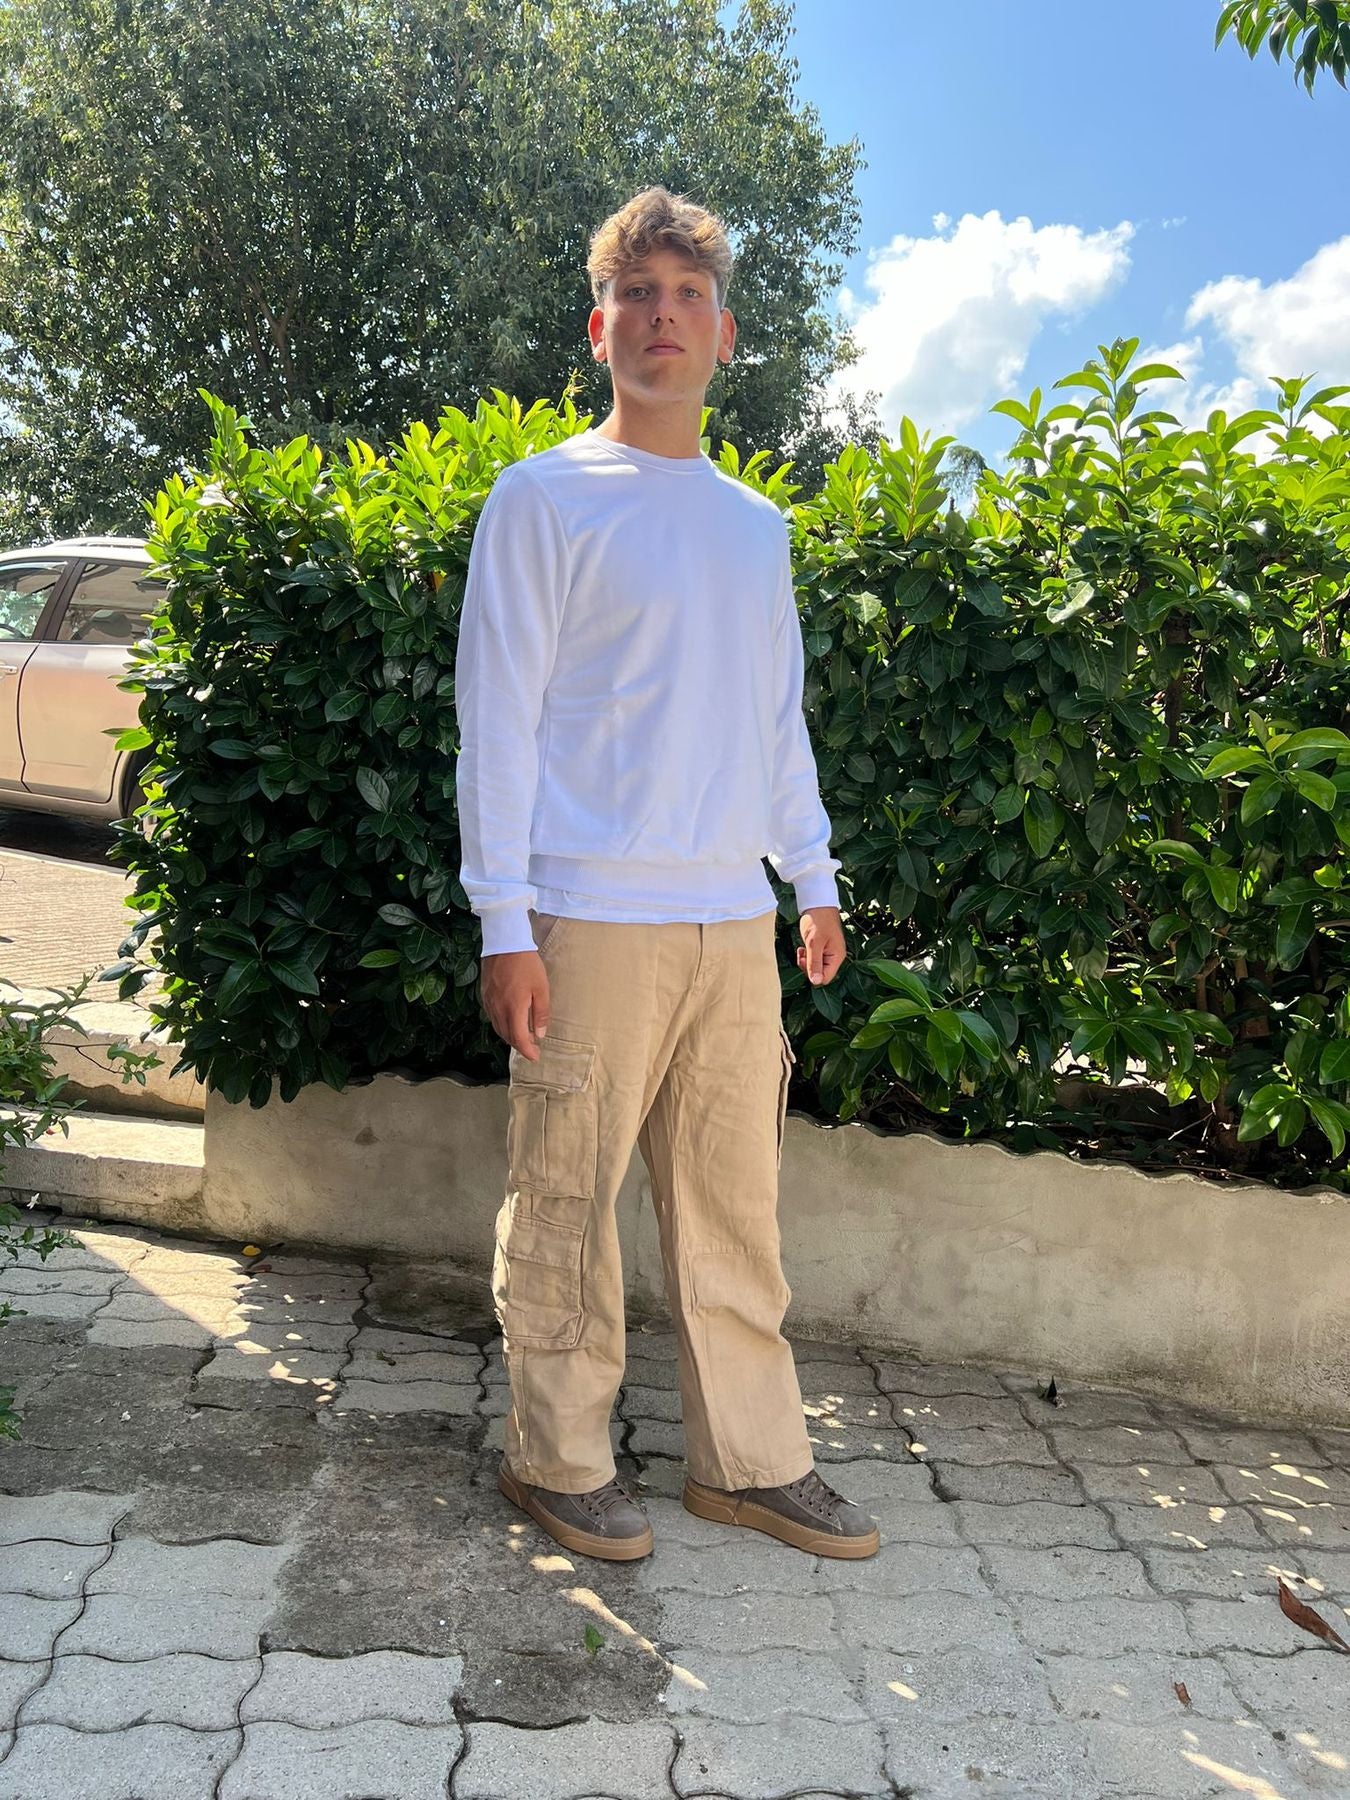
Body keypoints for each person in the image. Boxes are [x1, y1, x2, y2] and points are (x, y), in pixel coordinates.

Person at [454, 184, 880, 1564]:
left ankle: (749, 1465)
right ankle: (558, 1460)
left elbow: (775, 720)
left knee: (733, 1213)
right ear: (600, 328)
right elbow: (497, 719)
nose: (662, 316)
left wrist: (811, 876)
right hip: (588, 920)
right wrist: (503, 921)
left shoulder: (755, 527)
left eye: (689, 294)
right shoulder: (542, 498)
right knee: (566, 1205)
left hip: (730, 926)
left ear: (724, 334)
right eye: (636, 292)